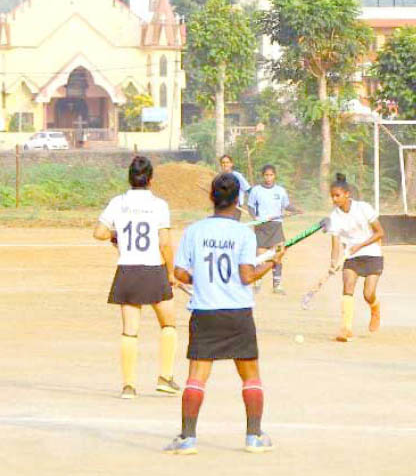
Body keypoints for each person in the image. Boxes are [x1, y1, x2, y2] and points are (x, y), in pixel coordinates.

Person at [164, 173, 285, 455]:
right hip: (238, 313)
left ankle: (187, 438)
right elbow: (246, 276)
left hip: (205, 311)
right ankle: (254, 436)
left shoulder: (194, 231)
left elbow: (180, 272)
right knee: (250, 376)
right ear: (238, 201)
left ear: (212, 197)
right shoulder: (244, 233)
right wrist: (273, 262)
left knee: (197, 377)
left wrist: (199, 280)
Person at [93, 156, 180, 399]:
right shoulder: (158, 205)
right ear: (150, 179)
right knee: (169, 324)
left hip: (127, 270)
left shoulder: (118, 202)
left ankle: (128, 386)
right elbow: (164, 242)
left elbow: (99, 232)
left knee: (130, 331)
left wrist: (116, 235)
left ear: (130, 178)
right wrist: (171, 272)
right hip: (153, 269)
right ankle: (165, 377)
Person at [328, 173, 385, 342]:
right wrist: (334, 262)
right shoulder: (334, 216)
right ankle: (346, 329)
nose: (334, 199)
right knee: (348, 286)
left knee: (368, 294)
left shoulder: (363, 208)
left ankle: (375, 308)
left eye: (337, 195)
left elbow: (380, 232)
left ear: (347, 194)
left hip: (372, 253)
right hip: (351, 257)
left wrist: (360, 245)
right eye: (332, 196)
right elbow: (335, 243)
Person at [247, 165, 302, 294]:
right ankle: (257, 283)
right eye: (266, 175)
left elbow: (286, 205)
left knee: (278, 254)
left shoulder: (280, 191)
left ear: (275, 175)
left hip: (276, 226)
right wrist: (255, 218)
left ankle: (277, 286)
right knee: (260, 256)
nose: (268, 178)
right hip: (261, 226)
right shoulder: (256, 190)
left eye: (271, 175)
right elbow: (250, 207)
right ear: (263, 176)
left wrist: (296, 210)